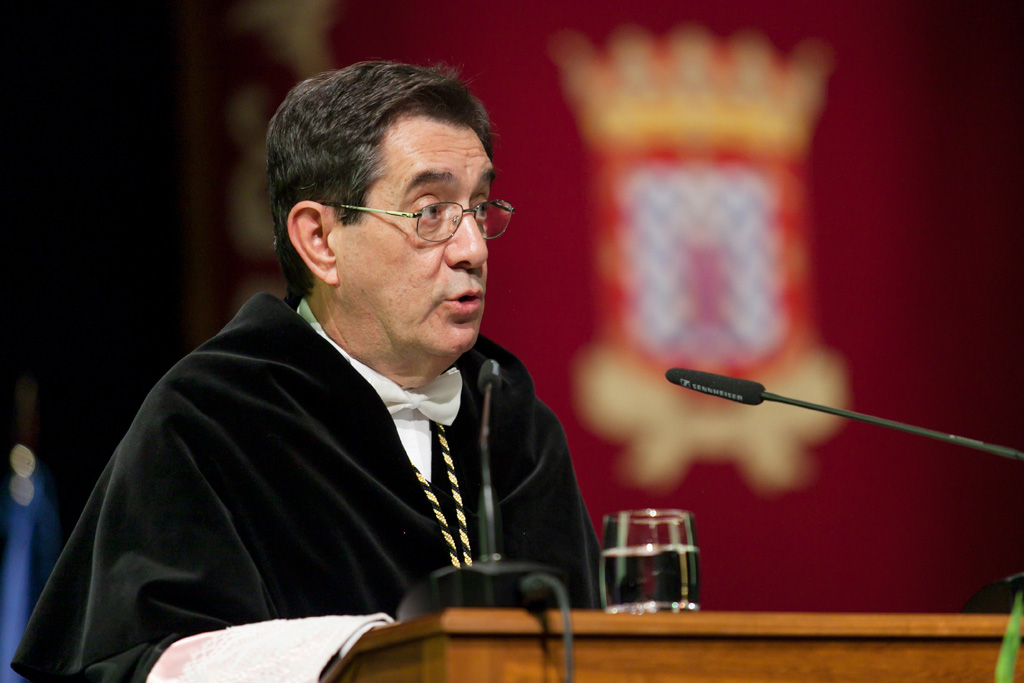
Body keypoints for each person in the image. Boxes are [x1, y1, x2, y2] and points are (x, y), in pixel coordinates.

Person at [12, 62, 600, 682]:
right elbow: (140, 663)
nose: (473, 248)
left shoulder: (509, 421)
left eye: (478, 208)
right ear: (320, 239)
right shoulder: (212, 420)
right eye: (430, 212)